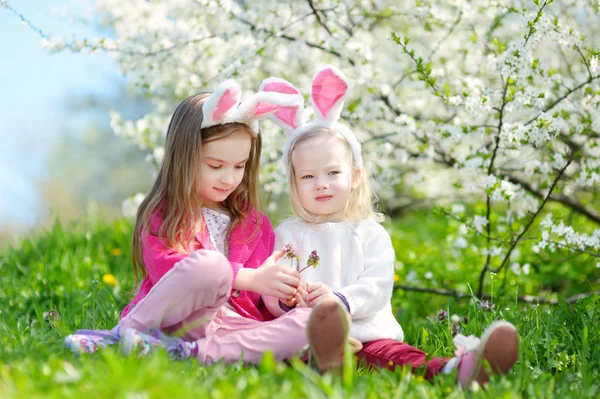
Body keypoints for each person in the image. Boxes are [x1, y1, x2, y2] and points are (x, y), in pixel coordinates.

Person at [259, 65, 520, 387]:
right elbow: (273, 288)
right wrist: (287, 297)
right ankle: (326, 361)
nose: (321, 185)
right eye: (308, 176)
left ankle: (457, 370)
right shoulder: (287, 234)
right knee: (300, 350)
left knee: (398, 357)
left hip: (368, 334)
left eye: (333, 173)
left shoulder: (370, 233)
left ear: (354, 177)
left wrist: (338, 301)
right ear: (294, 183)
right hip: (306, 336)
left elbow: (378, 285)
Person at [64, 79, 350, 371]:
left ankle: (183, 352)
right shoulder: (166, 213)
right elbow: (171, 273)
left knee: (308, 322)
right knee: (212, 266)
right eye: (216, 166)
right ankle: (123, 335)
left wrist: (283, 295)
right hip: (174, 319)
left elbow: (259, 303)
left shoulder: (256, 225)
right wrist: (247, 278)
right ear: (185, 158)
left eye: (240, 167)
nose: (229, 178)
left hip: (233, 329)